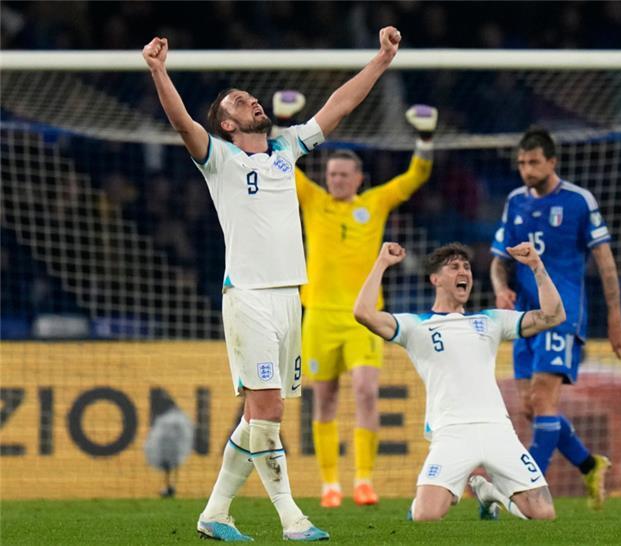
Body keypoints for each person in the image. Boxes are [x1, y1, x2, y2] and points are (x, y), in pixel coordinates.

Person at [141, 26, 402, 542]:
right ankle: (292, 518)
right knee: (270, 411)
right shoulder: (219, 158)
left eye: (253, 97)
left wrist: (381, 60)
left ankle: (215, 513)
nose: (254, 102)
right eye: (242, 101)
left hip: (291, 300)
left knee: (257, 416)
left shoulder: (287, 147)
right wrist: (157, 70)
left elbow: (339, 106)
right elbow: (180, 121)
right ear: (227, 122)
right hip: (249, 298)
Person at [273, 92, 438, 508]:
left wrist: (425, 139)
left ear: (359, 179)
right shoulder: (314, 201)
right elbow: (279, 166)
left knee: (366, 390)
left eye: (345, 175)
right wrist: (282, 122)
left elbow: (415, 177)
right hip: (319, 317)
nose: (337, 181)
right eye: (332, 174)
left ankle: (363, 479)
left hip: (363, 317)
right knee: (324, 398)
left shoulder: (375, 203)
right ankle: (331, 484)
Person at [353, 241, 565, 521]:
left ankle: (493, 494)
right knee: (426, 517)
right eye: (453, 267)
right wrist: (381, 263)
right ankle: (437, 501)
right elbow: (363, 313)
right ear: (435, 279)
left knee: (544, 514)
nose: (463, 271)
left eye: (466, 267)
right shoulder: (416, 326)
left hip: (497, 429)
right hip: (451, 432)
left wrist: (537, 267)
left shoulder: (490, 321)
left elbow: (554, 315)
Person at [490, 127, 621, 510]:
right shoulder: (514, 201)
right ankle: (589, 465)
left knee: (543, 398)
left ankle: (525, 492)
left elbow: (605, 262)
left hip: (561, 317)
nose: (526, 169)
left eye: (534, 162)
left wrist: (615, 319)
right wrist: (500, 287)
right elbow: (497, 261)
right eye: (521, 162)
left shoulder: (578, 201)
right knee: (531, 408)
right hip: (523, 319)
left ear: (552, 162)